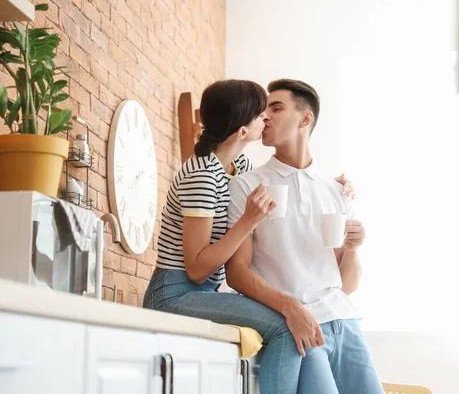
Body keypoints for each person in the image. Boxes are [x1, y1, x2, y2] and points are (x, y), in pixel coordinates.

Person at [143, 79, 353, 393]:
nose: (266, 118)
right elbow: (197, 269)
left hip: (204, 293)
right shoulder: (201, 175)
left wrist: (327, 184)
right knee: (285, 326)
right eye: (260, 114)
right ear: (243, 131)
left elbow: (277, 178)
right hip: (173, 294)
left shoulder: (235, 165)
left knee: (287, 321)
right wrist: (247, 221)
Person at [226, 79, 385, 394]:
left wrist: (352, 249)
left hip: (346, 324)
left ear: (305, 118)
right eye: (264, 110)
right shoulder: (247, 186)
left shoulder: (337, 191)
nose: (266, 116)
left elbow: (346, 285)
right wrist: (291, 308)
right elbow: (237, 273)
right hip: (301, 329)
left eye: (276, 107)